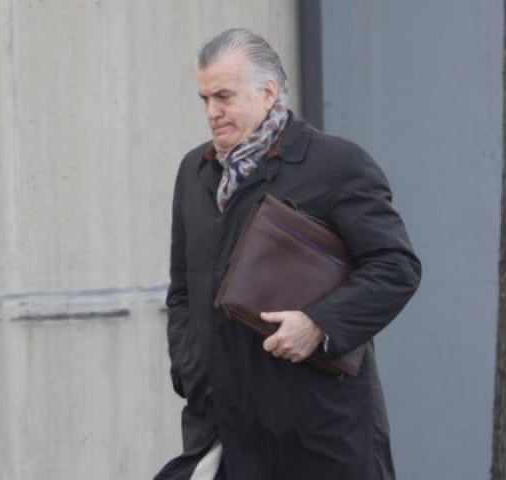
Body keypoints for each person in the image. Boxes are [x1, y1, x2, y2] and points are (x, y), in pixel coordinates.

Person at [155, 28, 421, 480]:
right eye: (205, 99)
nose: (211, 112)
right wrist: (191, 371)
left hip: (320, 434)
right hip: (223, 429)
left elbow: (396, 268)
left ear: (267, 92)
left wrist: (319, 324)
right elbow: (182, 291)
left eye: (223, 97)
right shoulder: (195, 171)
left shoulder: (337, 164)